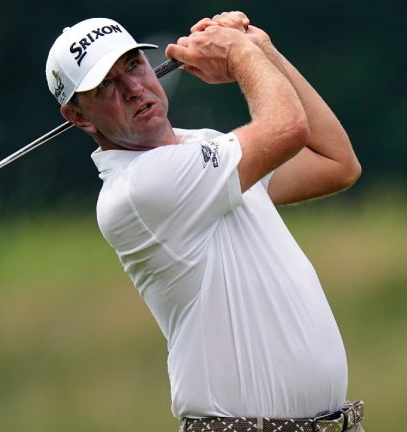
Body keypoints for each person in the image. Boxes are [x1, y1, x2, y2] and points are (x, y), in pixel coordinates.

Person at [46, 11, 364, 432]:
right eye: (105, 86)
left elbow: (335, 162)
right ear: (79, 117)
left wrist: (264, 52)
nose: (133, 89)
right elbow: (287, 128)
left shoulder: (208, 147)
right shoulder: (139, 190)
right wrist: (237, 53)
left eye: (134, 66)